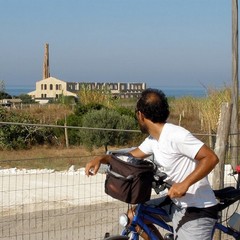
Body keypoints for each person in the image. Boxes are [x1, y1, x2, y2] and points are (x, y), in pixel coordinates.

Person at [85, 88, 219, 240]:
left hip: (197, 209)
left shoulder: (176, 135)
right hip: (175, 203)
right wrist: (102, 158)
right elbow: (129, 156)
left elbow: (210, 158)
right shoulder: (153, 139)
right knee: (133, 218)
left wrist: (184, 184)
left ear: (140, 115)